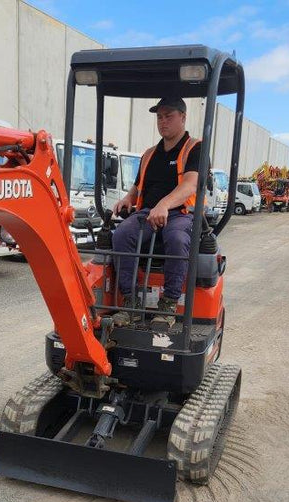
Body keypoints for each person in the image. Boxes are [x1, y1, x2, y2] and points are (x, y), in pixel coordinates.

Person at [111, 96, 204, 329]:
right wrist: (127, 198)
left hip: (181, 213)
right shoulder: (149, 154)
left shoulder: (195, 148)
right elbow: (138, 186)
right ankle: (130, 303)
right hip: (149, 213)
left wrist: (164, 204)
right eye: (159, 117)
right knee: (121, 235)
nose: (163, 122)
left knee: (177, 238)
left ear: (183, 117)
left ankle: (169, 305)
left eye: (169, 116)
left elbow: (190, 185)